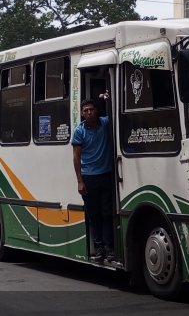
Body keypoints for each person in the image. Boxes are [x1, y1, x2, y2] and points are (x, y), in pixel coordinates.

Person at [72, 96, 115, 263]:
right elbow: (76, 158)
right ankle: (99, 249)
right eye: (85, 111)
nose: (89, 113)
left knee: (107, 213)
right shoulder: (79, 131)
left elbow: (117, 112)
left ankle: (110, 248)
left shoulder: (105, 123)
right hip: (88, 178)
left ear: (97, 111)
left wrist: (109, 97)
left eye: (91, 109)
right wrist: (80, 181)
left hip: (106, 175)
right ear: (82, 114)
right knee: (94, 215)